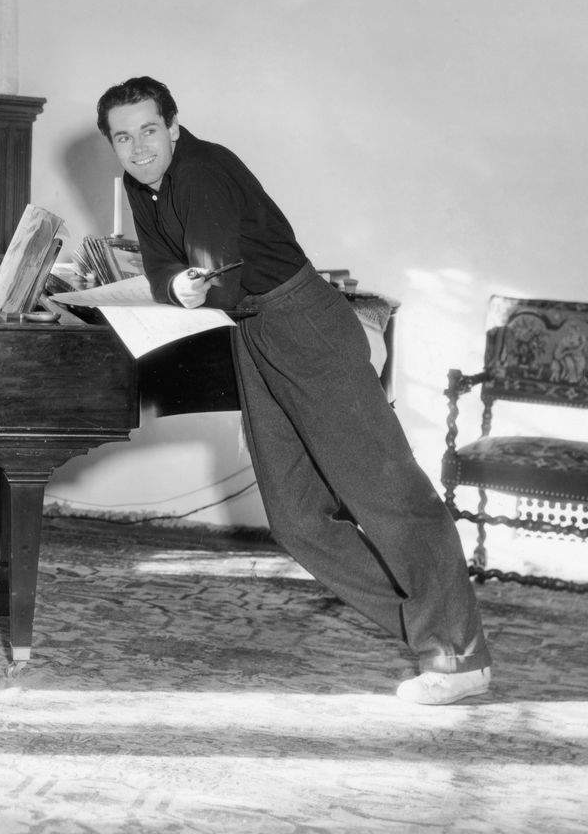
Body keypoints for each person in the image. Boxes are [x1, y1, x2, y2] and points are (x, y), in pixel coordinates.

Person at [96, 75, 492, 705]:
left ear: (173, 126)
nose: (139, 147)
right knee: (297, 518)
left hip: (300, 320)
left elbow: (218, 279)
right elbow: (162, 267)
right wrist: (178, 288)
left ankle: (457, 655)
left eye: (149, 130)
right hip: (252, 332)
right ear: (113, 145)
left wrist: (198, 290)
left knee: (384, 489)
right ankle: (435, 630)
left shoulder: (200, 171)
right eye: (124, 137)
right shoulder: (141, 184)